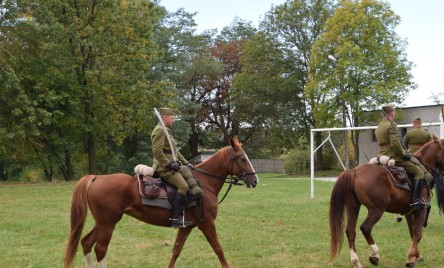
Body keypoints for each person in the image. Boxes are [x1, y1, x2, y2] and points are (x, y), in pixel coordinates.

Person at [151, 107, 203, 228]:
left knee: (190, 181)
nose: (173, 120)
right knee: (183, 186)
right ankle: (176, 218)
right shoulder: (160, 130)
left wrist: (186, 163)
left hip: (173, 166)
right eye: (172, 118)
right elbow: (157, 151)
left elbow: (175, 152)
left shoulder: (167, 131)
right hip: (163, 168)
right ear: (165, 118)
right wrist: (168, 164)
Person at [375, 105, 426, 210]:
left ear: (382, 114)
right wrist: (404, 154)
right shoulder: (391, 124)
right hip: (394, 156)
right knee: (419, 172)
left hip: (382, 155)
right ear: (392, 113)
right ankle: (416, 200)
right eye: (394, 112)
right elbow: (395, 144)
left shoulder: (379, 126)